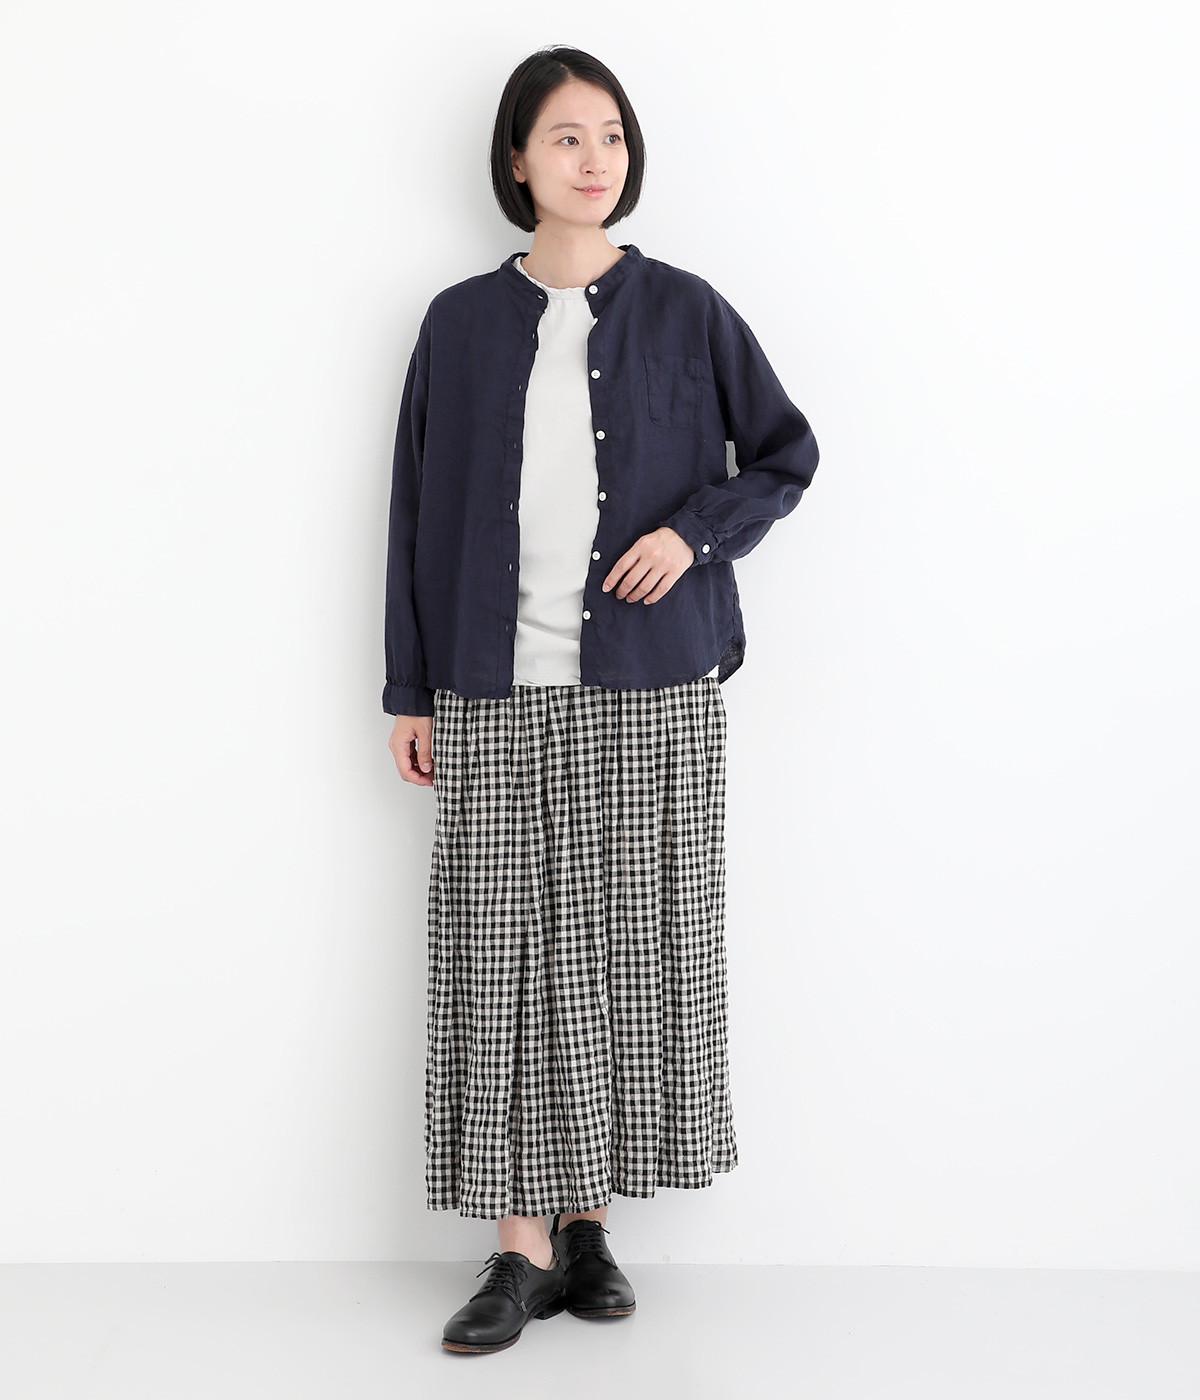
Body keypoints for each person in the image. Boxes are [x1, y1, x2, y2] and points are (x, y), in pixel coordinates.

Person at [383, 45, 819, 1355]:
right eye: (567, 137)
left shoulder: (687, 310)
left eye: (613, 136)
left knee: (630, 954)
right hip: (491, 686)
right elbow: (414, 513)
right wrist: (410, 688)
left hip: (651, 688)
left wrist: (695, 533)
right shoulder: (459, 325)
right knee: (501, 957)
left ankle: (588, 1230)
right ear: (518, 159)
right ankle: (517, 1248)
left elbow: (787, 452)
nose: (595, 160)